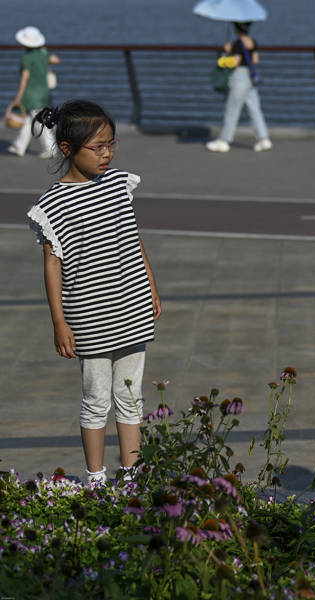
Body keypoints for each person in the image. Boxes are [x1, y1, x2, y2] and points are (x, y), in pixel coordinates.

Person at [26, 100, 162, 485]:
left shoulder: (118, 184)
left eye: (111, 144)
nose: (107, 154)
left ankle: (133, 476)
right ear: (67, 149)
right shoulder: (53, 203)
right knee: (96, 398)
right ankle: (96, 479)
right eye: (97, 147)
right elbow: (52, 263)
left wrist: (150, 286)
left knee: (130, 396)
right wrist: (59, 321)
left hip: (132, 304)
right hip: (89, 314)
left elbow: (133, 239)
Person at [206, 21, 272, 153]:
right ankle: (263, 139)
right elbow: (255, 60)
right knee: (255, 109)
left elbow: (234, 62)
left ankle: (224, 140)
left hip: (239, 78)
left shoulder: (237, 44)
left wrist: (224, 57)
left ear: (236, 29)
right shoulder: (252, 42)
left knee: (232, 110)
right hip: (250, 78)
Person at [6, 26, 59, 158]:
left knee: (38, 121)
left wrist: (18, 96)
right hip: (43, 92)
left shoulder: (26, 58)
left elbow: (25, 79)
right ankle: (19, 146)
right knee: (29, 120)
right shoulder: (43, 53)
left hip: (31, 93)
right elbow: (56, 60)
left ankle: (50, 148)